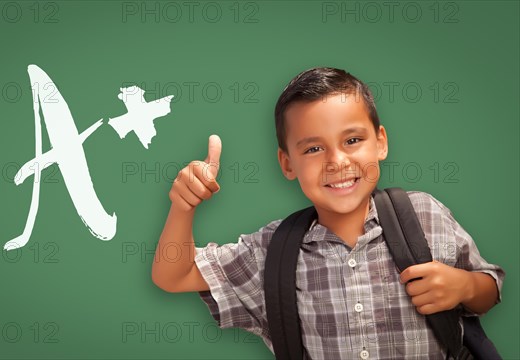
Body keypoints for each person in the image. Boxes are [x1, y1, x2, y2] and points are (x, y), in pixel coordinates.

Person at [151, 67, 505, 359]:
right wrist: (184, 205)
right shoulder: (271, 252)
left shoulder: (424, 214)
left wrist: (465, 285)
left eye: (352, 140)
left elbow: (489, 287)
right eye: (314, 148)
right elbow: (174, 275)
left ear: (380, 141)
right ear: (287, 163)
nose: (337, 162)